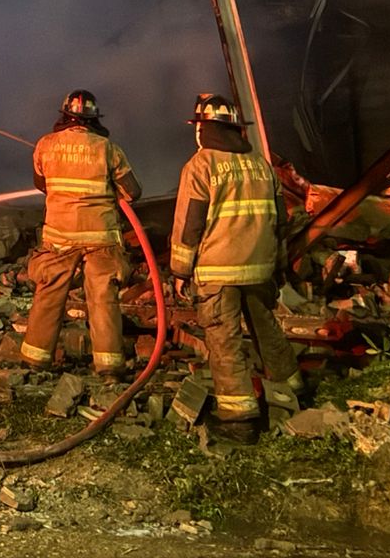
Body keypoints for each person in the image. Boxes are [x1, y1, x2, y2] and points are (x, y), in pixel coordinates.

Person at [169, 93, 305, 440]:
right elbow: (280, 222)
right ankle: (291, 388)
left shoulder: (200, 166)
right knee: (266, 328)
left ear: (204, 129)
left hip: (218, 272)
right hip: (259, 268)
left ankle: (238, 418)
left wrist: (180, 271)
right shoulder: (261, 164)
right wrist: (279, 266)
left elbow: (189, 226)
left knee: (224, 339)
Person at [20, 89, 142, 377]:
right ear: (94, 119)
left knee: (49, 292)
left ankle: (35, 360)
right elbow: (132, 192)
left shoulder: (45, 145)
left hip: (59, 237)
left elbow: (42, 184)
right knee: (103, 298)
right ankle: (109, 366)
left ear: (65, 115)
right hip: (100, 238)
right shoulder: (108, 149)